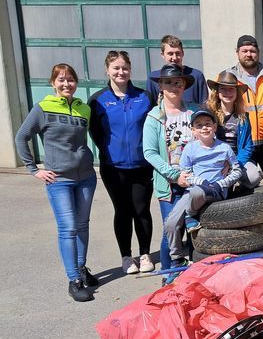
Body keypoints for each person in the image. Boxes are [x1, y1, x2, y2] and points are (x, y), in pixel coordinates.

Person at [15, 63, 98, 301]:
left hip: (86, 177)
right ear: (53, 83)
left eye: (70, 79)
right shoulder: (42, 108)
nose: (66, 84)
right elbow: (21, 137)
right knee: (68, 227)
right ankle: (73, 280)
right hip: (59, 179)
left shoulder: (83, 108)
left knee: (82, 225)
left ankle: (81, 268)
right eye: (61, 79)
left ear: (76, 82)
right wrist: (34, 169)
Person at [89, 50, 155, 275]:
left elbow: (153, 128)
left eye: (125, 68)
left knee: (141, 210)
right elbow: (95, 132)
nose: (121, 72)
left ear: (130, 70)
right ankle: (126, 257)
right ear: (107, 70)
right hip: (113, 168)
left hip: (141, 166)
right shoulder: (97, 100)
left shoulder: (144, 97)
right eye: (116, 68)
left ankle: (145, 254)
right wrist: (110, 151)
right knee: (123, 211)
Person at [163, 110, 242, 268]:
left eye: (207, 124)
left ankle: (190, 215)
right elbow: (185, 173)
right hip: (195, 190)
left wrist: (222, 183)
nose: (204, 128)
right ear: (193, 130)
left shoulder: (224, 148)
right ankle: (177, 258)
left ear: (214, 127)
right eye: (199, 126)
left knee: (197, 192)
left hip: (217, 190)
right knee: (170, 223)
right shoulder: (190, 149)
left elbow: (237, 171)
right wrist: (201, 182)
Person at [142, 64, 201, 274]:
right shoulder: (154, 117)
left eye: (178, 82)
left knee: (195, 230)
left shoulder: (194, 112)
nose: (174, 87)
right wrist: (175, 175)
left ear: (184, 85)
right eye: (168, 82)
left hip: (194, 181)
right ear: (160, 86)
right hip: (169, 183)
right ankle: (168, 275)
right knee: (172, 229)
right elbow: (150, 152)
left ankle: (194, 275)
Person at [226, 35, 263, 188]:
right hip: (242, 144)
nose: (249, 54)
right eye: (244, 51)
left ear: (258, 52)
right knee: (248, 183)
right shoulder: (228, 76)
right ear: (237, 52)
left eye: (252, 51)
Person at [205, 71, 262, 191]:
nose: (227, 92)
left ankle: (239, 190)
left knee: (254, 176)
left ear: (237, 93)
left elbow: (248, 146)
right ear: (217, 92)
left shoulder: (243, 117)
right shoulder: (210, 115)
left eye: (231, 89)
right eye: (223, 89)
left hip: (237, 158)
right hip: (216, 159)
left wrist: (235, 163)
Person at [145, 35, 208, 105]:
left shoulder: (196, 76)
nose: (174, 58)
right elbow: (150, 106)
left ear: (183, 53)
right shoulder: (153, 79)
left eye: (177, 53)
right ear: (162, 55)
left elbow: (204, 106)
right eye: (170, 54)